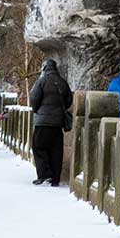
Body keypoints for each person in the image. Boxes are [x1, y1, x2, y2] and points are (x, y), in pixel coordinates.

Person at [28, 57, 72, 186]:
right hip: (57, 123)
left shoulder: (41, 82)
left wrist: (37, 110)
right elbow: (69, 100)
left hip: (42, 122)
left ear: (45, 68)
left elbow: (34, 98)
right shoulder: (63, 83)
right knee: (56, 150)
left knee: (38, 147)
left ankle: (44, 174)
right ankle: (55, 178)